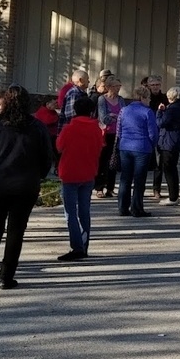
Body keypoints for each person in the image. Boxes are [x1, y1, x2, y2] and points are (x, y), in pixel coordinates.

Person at [0, 85, 53, 290]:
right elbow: (46, 158)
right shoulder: (37, 127)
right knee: (16, 232)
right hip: (25, 185)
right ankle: (6, 277)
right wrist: (38, 176)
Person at [56, 95, 103, 261]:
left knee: (70, 212)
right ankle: (84, 245)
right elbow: (100, 148)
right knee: (84, 211)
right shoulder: (96, 129)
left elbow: (59, 147)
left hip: (70, 173)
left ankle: (76, 247)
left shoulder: (69, 129)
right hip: (88, 172)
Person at [116, 84, 159, 218]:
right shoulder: (148, 112)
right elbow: (153, 133)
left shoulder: (124, 110)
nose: (150, 101)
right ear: (143, 98)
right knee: (139, 180)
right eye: (148, 98)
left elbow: (119, 129)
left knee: (125, 179)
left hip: (125, 146)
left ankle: (123, 207)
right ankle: (137, 208)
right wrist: (154, 145)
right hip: (142, 147)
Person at [156, 86, 180, 205]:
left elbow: (160, 123)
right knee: (173, 168)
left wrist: (159, 112)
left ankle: (173, 197)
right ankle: (174, 195)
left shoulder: (172, 109)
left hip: (168, 141)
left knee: (169, 169)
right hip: (177, 139)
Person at [95, 78, 124, 199]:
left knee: (114, 161)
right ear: (109, 87)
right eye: (116, 86)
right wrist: (114, 117)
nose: (118, 88)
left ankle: (110, 188)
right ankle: (99, 187)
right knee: (103, 161)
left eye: (119, 86)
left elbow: (124, 116)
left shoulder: (121, 99)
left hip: (117, 134)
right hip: (105, 134)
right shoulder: (102, 99)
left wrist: (113, 116)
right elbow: (103, 118)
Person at [145, 74, 169, 200]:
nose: (155, 87)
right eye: (152, 85)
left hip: (160, 133)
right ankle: (140, 187)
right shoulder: (145, 98)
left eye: (157, 85)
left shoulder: (165, 98)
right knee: (143, 161)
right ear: (148, 86)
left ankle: (156, 189)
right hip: (146, 133)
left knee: (159, 163)